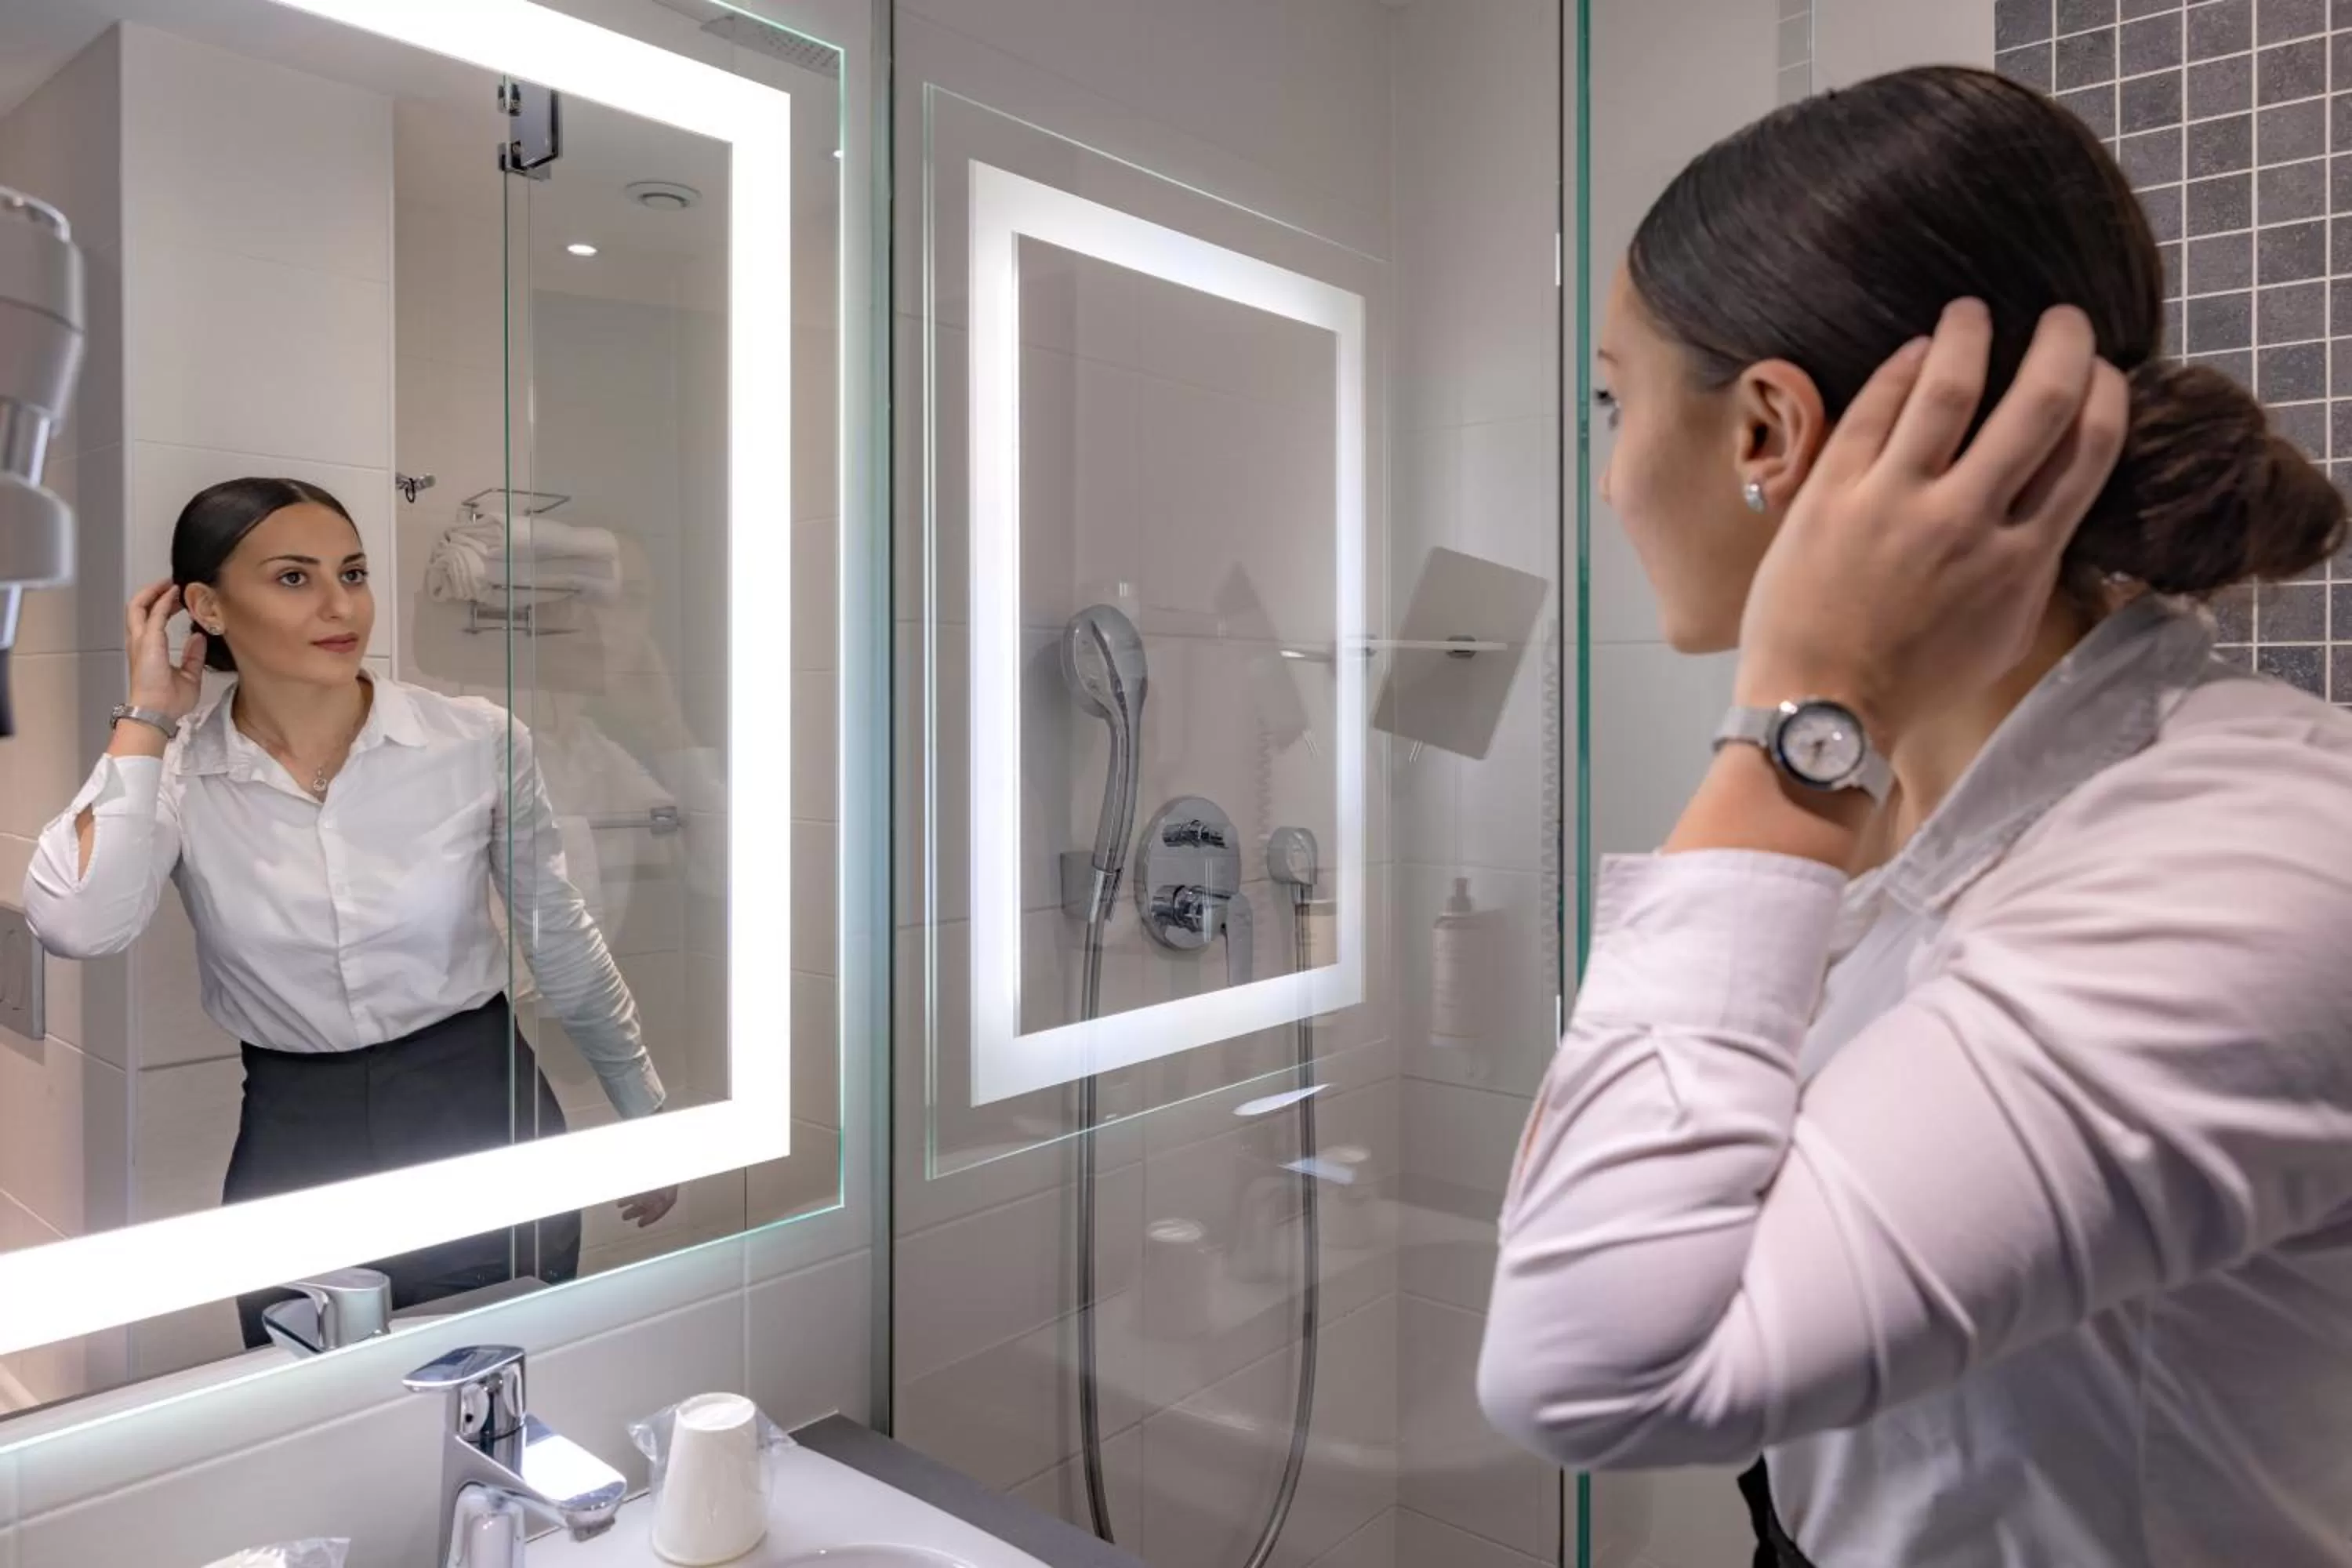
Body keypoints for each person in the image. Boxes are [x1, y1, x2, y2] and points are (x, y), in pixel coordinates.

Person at [1477, 66, 2352, 1568]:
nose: (1610, 479)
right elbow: (1624, 1198)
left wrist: (1805, 707)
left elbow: (1589, 1365)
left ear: (1767, 430)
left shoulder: (2255, 863)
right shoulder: (1890, 804)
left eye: (1613, 403)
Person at [24, 477, 680, 1347]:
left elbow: (556, 931)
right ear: (206, 606)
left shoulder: (474, 740)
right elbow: (78, 922)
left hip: (478, 1108)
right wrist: (146, 718)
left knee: (500, 1390)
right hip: (298, 1130)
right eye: (294, 577)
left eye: (354, 571)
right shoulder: (177, 774)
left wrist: (642, 1107)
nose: (342, 605)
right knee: (306, 1404)